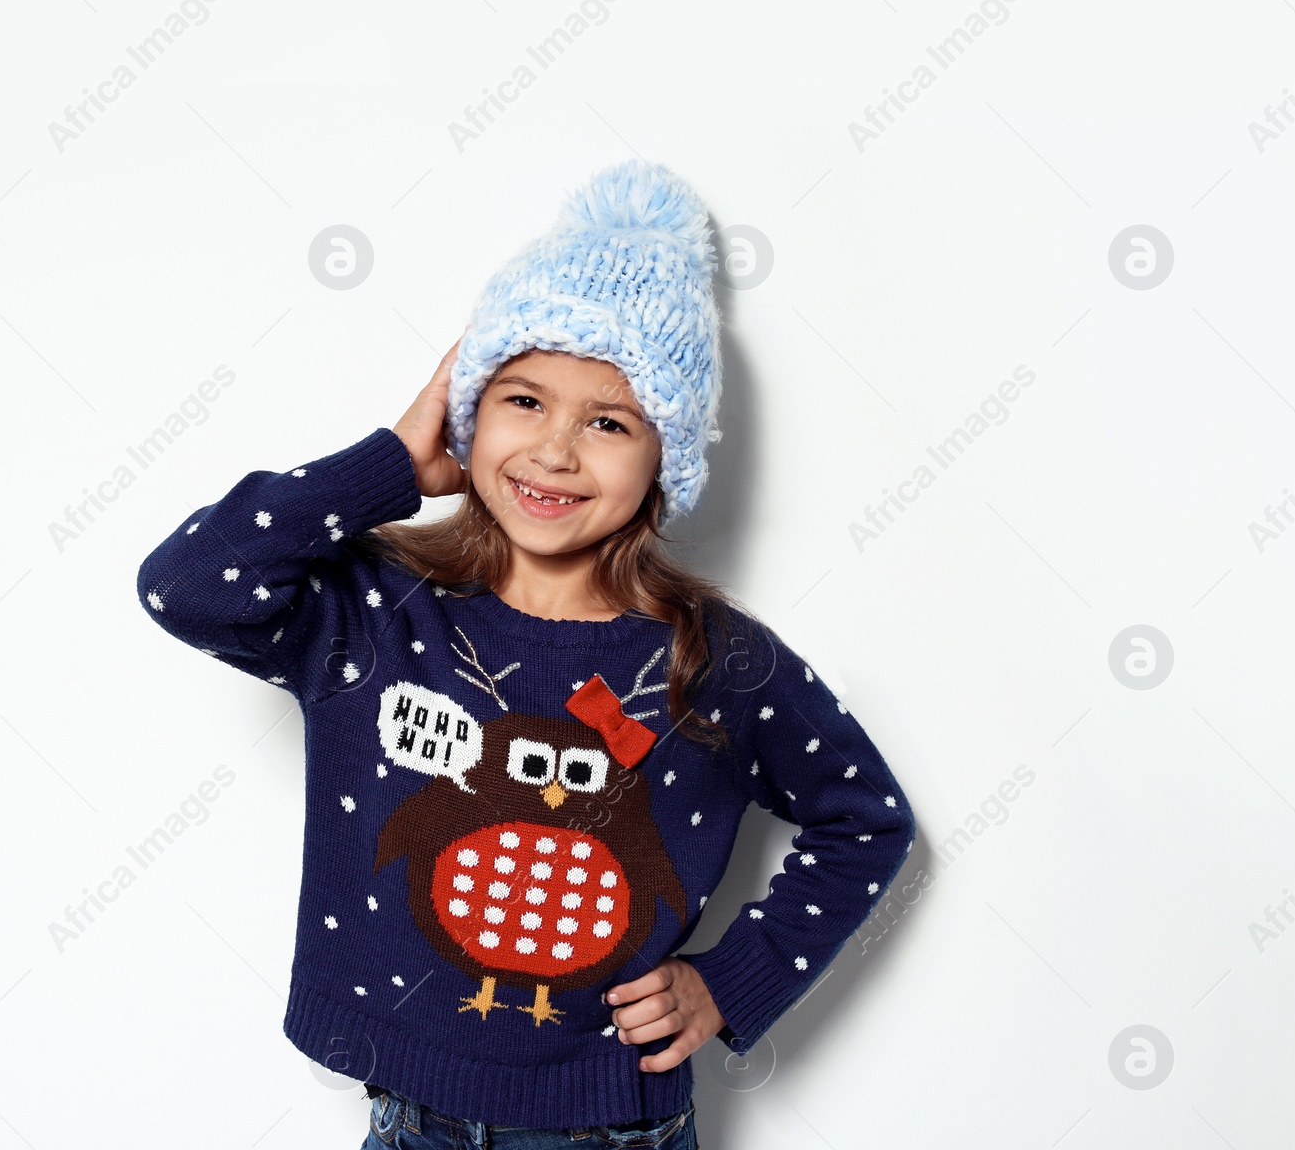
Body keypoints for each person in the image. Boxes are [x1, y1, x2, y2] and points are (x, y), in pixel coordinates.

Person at [136, 160, 916, 1147]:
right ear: (466, 409)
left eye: (608, 421)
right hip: (404, 1120)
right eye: (521, 399)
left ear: (663, 452)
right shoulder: (373, 613)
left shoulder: (710, 658)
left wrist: (730, 980)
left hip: (606, 1131)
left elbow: (866, 820)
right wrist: (390, 461)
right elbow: (187, 584)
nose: (555, 451)